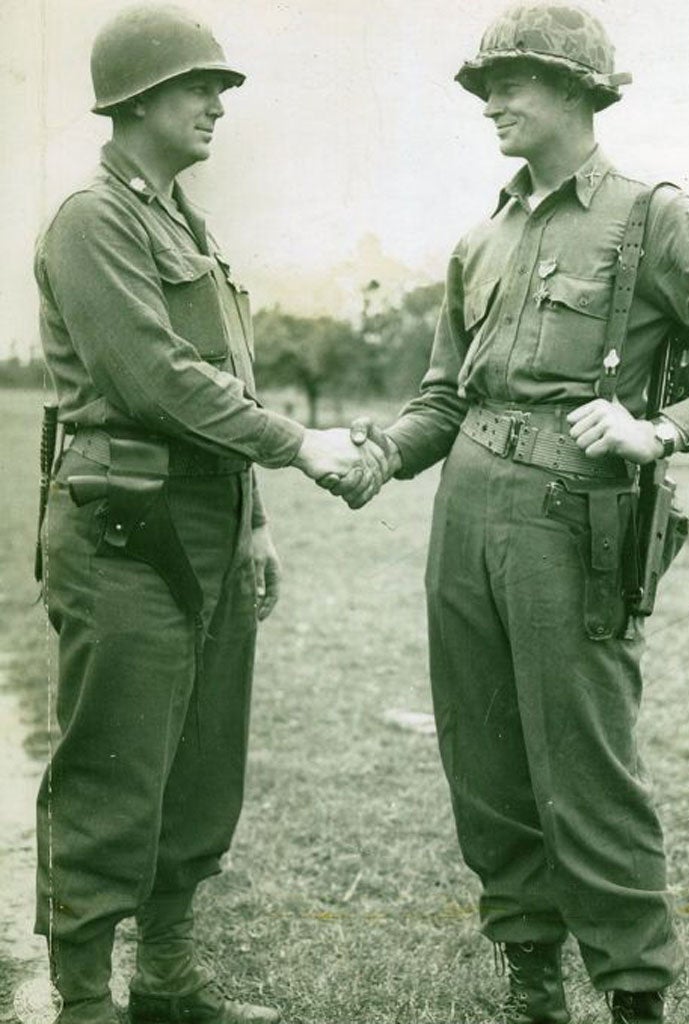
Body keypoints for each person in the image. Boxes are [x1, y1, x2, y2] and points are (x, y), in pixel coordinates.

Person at [335, 3, 689, 1022]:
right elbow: (445, 394)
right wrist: (382, 453)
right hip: (466, 503)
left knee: (586, 763)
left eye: (514, 79)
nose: (492, 100)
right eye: (483, 85)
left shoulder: (651, 214)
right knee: (481, 753)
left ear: (579, 89)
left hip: (574, 514)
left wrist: (664, 429)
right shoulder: (479, 239)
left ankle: (632, 993)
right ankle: (530, 980)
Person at [33, 6, 387, 1024]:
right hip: (125, 526)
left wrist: (257, 517)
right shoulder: (92, 220)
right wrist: (299, 444)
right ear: (139, 98)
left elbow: (218, 380)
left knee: (201, 766)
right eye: (200, 87)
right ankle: (85, 999)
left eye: (221, 90)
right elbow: (153, 378)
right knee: (114, 764)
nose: (217, 105)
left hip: (208, 521)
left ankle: (167, 978)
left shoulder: (183, 222)